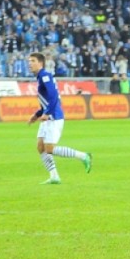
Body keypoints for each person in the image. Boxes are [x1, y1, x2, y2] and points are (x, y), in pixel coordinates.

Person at [27, 52, 92, 185]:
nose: (30, 64)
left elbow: (53, 96)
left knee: (49, 149)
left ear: (40, 63)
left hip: (54, 117)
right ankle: (54, 176)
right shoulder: (40, 77)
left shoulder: (45, 75)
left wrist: (47, 113)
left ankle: (83, 156)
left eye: (33, 61)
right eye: (29, 61)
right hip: (47, 116)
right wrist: (38, 114)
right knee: (40, 147)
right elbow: (46, 100)